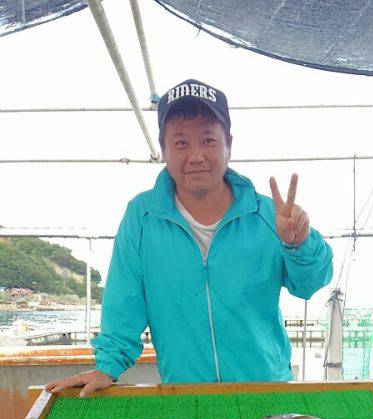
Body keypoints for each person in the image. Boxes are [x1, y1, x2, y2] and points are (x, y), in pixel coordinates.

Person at [47, 79, 333, 397]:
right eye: (181, 143)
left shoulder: (270, 214)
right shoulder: (142, 217)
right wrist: (107, 366)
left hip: (266, 388)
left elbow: (310, 283)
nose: (196, 155)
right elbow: (123, 300)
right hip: (184, 393)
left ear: (228, 145)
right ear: (164, 149)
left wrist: (298, 244)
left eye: (208, 139)